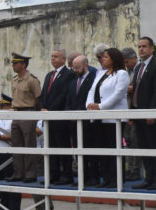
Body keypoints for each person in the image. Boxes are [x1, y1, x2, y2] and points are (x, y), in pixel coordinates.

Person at [86, 48, 130, 188]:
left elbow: (118, 95)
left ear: (113, 58)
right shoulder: (101, 74)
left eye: (105, 57)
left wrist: (100, 106)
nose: (102, 59)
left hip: (114, 118)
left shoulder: (121, 74)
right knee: (103, 149)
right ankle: (106, 178)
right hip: (99, 118)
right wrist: (89, 105)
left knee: (114, 148)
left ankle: (116, 179)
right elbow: (92, 90)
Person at [130, 37, 156, 190]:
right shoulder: (138, 67)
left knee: (155, 147)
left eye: (144, 46)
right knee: (144, 147)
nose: (141, 49)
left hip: (151, 115)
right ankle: (149, 177)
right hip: (139, 114)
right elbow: (136, 91)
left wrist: (152, 113)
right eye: (139, 46)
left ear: (152, 49)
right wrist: (132, 113)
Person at [39, 49, 75, 185]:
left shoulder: (68, 74)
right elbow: (43, 94)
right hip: (48, 118)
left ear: (63, 59)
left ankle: (67, 175)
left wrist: (50, 109)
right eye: (52, 56)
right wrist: (42, 107)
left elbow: (64, 94)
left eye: (56, 56)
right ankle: (53, 174)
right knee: (51, 147)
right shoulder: (49, 75)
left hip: (60, 118)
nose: (53, 58)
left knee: (62, 147)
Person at [6, 53, 42, 183]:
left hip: (28, 112)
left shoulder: (32, 80)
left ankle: (30, 174)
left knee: (29, 144)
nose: (13, 65)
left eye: (16, 63)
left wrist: (32, 112)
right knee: (16, 145)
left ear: (23, 64)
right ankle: (18, 173)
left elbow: (37, 97)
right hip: (16, 113)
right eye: (13, 63)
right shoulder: (15, 80)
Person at [65, 55, 98, 186]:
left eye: (77, 67)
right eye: (73, 67)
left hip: (88, 123)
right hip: (74, 123)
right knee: (78, 151)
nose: (75, 70)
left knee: (90, 150)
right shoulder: (73, 81)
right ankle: (82, 177)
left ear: (86, 65)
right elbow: (68, 100)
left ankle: (93, 177)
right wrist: (70, 113)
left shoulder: (93, 80)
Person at [121, 47, 143, 181]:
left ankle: (135, 170)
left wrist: (125, 88)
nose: (125, 64)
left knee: (135, 141)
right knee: (128, 140)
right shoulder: (127, 71)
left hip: (136, 110)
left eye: (126, 61)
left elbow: (138, 87)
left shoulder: (140, 69)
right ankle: (129, 169)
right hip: (127, 110)